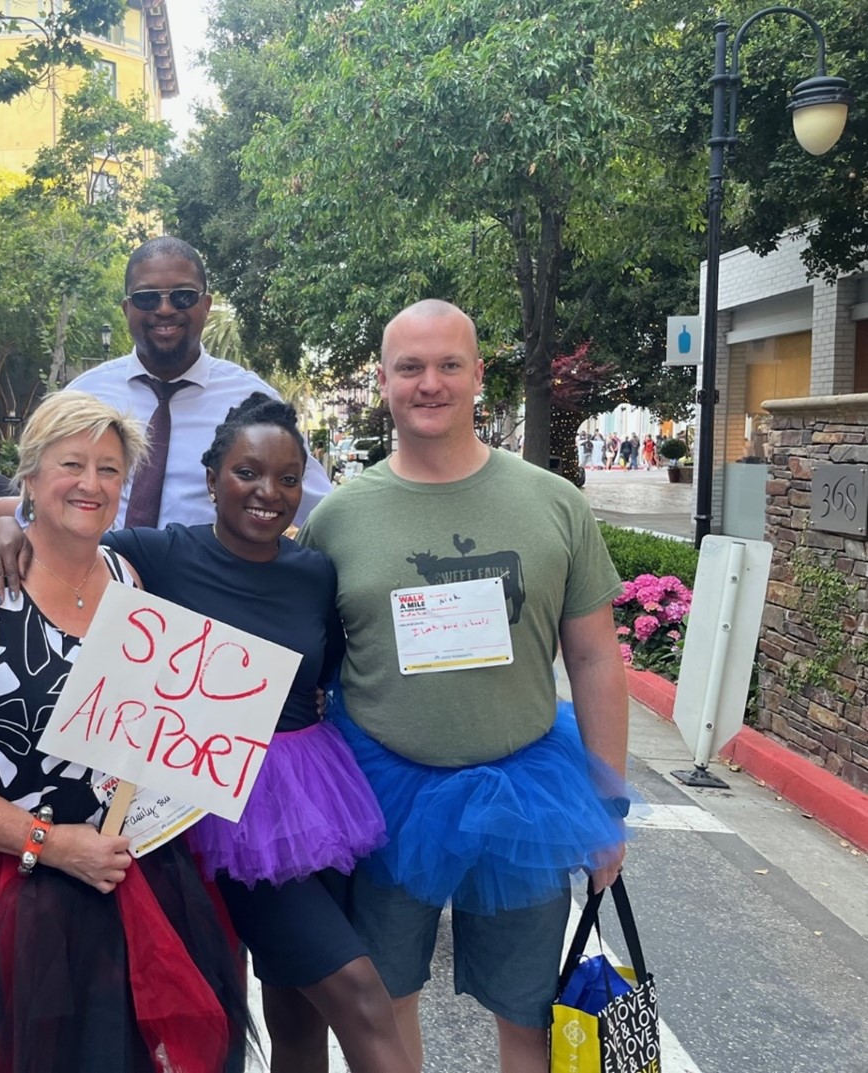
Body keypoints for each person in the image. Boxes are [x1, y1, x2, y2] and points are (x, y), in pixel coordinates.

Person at [0, 392, 249, 1073]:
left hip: (127, 875)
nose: (91, 483)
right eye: (71, 463)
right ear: (29, 477)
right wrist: (52, 845)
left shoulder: (126, 578)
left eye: (110, 469)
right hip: (17, 891)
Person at [296, 300, 629, 1073]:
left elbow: (595, 660)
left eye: (449, 364)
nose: (430, 383)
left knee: (529, 1011)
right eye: (409, 367)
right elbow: (305, 663)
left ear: (480, 375)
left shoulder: (554, 502)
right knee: (383, 1003)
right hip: (382, 792)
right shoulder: (338, 519)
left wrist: (608, 805)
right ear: (382, 381)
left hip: (524, 792)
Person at [101, 392, 410, 1073]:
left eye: (288, 477)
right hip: (216, 805)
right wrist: (8, 530)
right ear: (211, 478)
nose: (269, 492)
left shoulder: (314, 573)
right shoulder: (158, 553)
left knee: (298, 1015)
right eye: (247, 472)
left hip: (316, 800)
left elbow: (325, 673)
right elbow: (68, 550)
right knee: (358, 993)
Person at [62, 236, 331, 530]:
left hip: (210, 576)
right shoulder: (83, 397)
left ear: (205, 305)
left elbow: (321, 513)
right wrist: (6, 525)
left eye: (183, 296)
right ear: (127, 309)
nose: (164, 309)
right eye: (147, 297)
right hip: (94, 573)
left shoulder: (253, 403)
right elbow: (39, 498)